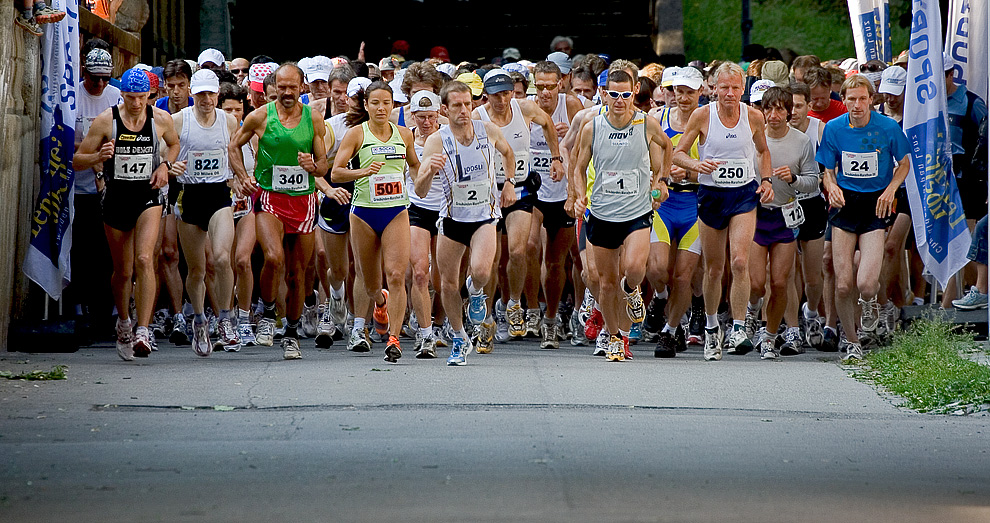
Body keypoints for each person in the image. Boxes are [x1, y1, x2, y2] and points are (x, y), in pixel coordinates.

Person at [73, 68, 180, 360]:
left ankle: (142, 330)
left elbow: (174, 144)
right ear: (122, 94)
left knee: (146, 258)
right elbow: (78, 160)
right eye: (131, 98)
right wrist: (97, 157)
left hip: (148, 196)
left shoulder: (160, 119)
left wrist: (164, 167)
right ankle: (123, 320)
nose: (136, 104)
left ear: (150, 96)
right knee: (123, 270)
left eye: (142, 98)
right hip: (117, 197)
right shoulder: (106, 120)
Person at [672, 62, 774, 361]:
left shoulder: (753, 116)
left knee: (740, 261)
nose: (730, 94)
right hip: (712, 195)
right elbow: (678, 153)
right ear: (713, 88)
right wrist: (696, 165)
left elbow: (763, 150)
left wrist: (766, 180)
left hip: (743, 194)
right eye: (724, 87)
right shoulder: (702, 115)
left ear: (743, 89)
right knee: (715, 268)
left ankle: (739, 327)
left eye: (735, 88)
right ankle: (712, 326)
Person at [228, 63, 329, 360]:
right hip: (270, 197)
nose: (286, 92)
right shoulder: (260, 116)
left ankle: (292, 333)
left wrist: (314, 166)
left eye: (292, 87)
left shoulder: (313, 118)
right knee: (273, 257)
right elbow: (233, 146)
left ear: (302, 88)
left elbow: (324, 164)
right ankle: (269, 311)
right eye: (281, 87)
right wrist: (241, 177)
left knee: (298, 273)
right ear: (274, 88)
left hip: (303, 200)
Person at [573, 69, 672, 361]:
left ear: (635, 91)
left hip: (637, 210)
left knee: (634, 269)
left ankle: (631, 290)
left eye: (625, 95)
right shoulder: (592, 127)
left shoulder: (646, 123)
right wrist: (579, 195)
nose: (619, 100)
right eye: (613, 94)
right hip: (602, 212)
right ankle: (616, 337)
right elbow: (578, 167)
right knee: (605, 282)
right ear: (603, 93)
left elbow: (667, 147)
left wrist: (661, 180)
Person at [416, 80, 516, 366]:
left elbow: (508, 154)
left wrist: (508, 183)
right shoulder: (437, 140)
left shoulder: (488, 131)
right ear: (445, 109)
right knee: (447, 284)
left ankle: (475, 293)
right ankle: (459, 338)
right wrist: (428, 172)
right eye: (457, 105)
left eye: (468, 104)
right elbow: (421, 191)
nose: (464, 110)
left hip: (484, 216)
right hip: (452, 218)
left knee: (482, 272)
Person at [817, 75, 910, 360]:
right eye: (851, 99)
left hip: (875, 206)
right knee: (843, 282)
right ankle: (852, 340)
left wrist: (891, 189)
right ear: (843, 100)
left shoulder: (888, 127)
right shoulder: (834, 128)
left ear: (871, 99)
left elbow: (904, 163)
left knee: (867, 283)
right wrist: (830, 186)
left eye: (862, 99)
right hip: (845, 204)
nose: (857, 105)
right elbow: (827, 169)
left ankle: (870, 304)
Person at [331, 81, 424, 363]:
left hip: (396, 210)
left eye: (386, 103)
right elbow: (336, 173)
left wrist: (421, 179)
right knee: (371, 284)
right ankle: (379, 304)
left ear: (393, 105)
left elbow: (415, 165)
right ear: (366, 106)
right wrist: (362, 171)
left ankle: (393, 339)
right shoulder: (356, 134)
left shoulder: (405, 134)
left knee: (396, 275)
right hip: (364, 214)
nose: (381, 108)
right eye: (375, 103)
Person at [474, 69, 564, 342]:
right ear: (485, 96)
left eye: (506, 93)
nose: (501, 100)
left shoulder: (524, 108)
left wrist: (556, 157)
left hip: (522, 190)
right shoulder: (479, 117)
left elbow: (548, 123)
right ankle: (488, 315)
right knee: (491, 259)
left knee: (518, 251)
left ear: (512, 92)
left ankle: (513, 303)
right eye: (495, 95)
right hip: (490, 194)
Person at [169, 69, 241, 356]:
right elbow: (163, 151)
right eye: (200, 94)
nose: (206, 99)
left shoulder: (230, 121)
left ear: (218, 94)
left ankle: (226, 317)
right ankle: (199, 319)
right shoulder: (178, 121)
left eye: (211, 93)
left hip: (219, 194)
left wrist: (240, 177)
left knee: (223, 258)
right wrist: (169, 165)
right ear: (192, 95)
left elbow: (237, 154)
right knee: (197, 268)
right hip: (189, 195)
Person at [746, 86, 820, 359]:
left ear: (790, 112)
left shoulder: (801, 142)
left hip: (786, 215)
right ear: (762, 111)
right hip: (755, 215)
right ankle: (752, 310)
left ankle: (770, 336)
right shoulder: (754, 137)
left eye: (780, 109)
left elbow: (814, 180)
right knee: (756, 282)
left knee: (779, 282)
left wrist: (793, 179)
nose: (774, 115)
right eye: (769, 108)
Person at [525, 60, 584, 349]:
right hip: (534, 190)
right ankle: (532, 310)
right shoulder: (524, 107)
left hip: (562, 192)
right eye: (540, 86)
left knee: (555, 262)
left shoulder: (572, 106)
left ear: (560, 83)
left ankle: (551, 319)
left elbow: (586, 147)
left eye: (550, 86)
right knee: (529, 246)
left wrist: (567, 139)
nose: (545, 92)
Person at [648, 66, 705, 357]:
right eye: (677, 91)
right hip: (663, 204)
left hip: (694, 206)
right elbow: (645, 161)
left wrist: (690, 174)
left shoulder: (708, 121)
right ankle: (659, 297)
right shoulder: (657, 119)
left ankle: (671, 332)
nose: (682, 98)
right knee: (657, 268)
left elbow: (718, 170)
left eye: (689, 92)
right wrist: (661, 177)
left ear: (700, 93)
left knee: (684, 276)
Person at [69, 48, 121, 339]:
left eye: (105, 79)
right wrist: (93, 155)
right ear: (84, 74)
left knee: (106, 253)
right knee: (82, 252)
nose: (100, 86)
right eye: (94, 80)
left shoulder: (115, 97)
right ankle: (81, 310)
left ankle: (105, 314)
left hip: (108, 187)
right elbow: (64, 148)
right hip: (77, 188)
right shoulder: (73, 96)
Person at [786, 81, 829, 350]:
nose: (793, 111)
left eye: (799, 105)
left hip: (812, 204)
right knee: (786, 272)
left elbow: (829, 168)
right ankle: (791, 329)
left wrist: (818, 180)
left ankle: (811, 312)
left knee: (813, 276)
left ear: (808, 106)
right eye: (789, 106)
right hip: (785, 206)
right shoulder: (778, 132)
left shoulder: (819, 129)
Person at [405, 90, 446, 358]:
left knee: (443, 279)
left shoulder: (450, 136)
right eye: (421, 117)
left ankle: (442, 322)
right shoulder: (405, 136)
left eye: (431, 116)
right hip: (416, 208)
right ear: (412, 115)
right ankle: (426, 332)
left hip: (446, 210)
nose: (427, 122)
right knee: (420, 273)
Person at [219, 83, 260, 346]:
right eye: (228, 109)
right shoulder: (213, 133)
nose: (234, 115)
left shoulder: (253, 134)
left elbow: (263, 165)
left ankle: (244, 319)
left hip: (248, 206)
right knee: (223, 263)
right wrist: (231, 182)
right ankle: (225, 317)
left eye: (238, 109)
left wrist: (250, 178)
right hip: (221, 204)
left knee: (243, 261)